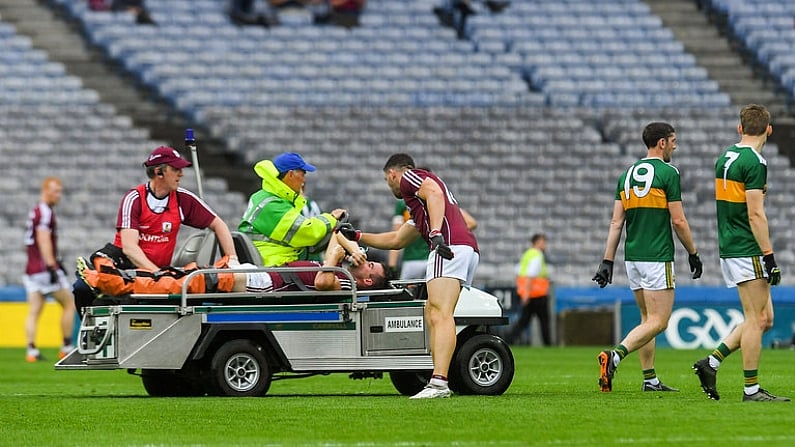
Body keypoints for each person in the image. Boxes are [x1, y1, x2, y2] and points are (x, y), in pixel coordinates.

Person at [337, 153, 479, 399]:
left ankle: (439, 383)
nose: (389, 185)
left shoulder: (410, 178)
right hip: (462, 248)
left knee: (440, 313)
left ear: (393, 173)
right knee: (433, 312)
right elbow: (396, 240)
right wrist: (358, 236)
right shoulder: (419, 208)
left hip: (448, 247)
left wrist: (435, 233)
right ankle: (438, 378)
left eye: (386, 179)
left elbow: (433, 193)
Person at [592, 122, 702, 393]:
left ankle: (650, 379)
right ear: (661, 143)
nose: (675, 145)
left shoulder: (626, 175)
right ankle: (614, 356)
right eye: (673, 140)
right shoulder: (668, 172)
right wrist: (693, 252)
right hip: (656, 255)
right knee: (659, 321)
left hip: (633, 258)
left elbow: (616, 223)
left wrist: (607, 261)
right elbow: (678, 220)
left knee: (646, 318)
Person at [692, 104, 790, 402]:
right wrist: (769, 255)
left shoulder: (726, 156)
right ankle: (751, 389)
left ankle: (711, 363)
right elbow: (755, 214)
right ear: (768, 130)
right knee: (757, 318)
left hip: (730, 245)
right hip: (746, 247)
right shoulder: (754, 161)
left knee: (764, 318)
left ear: (740, 128)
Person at [73, 146, 238, 314]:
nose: (181, 174)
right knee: (82, 288)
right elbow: (130, 249)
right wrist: (157, 276)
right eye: (175, 169)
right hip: (127, 264)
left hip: (156, 270)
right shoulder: (134, 199)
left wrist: (232, 259)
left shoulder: (183, 199)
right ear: (159, 172)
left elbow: (219, 225)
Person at [78, 232, 389, 296]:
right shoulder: (340, 268)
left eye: (371, 266)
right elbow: (337, 236)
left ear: (366, 281)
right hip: (260, 277)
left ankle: (109, 280)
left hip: (262, 284)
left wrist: (340, 256)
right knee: (181, 276)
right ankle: (112, 275)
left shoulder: (345, 283)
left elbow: (322, 283)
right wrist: (352, 248)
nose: (367, 261)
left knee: (183, 282)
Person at [239, 152, 346, 267]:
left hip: (272, 260)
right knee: (328, 275)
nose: (304, 181)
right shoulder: (273, 204)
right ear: (290, 174)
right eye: (303, 174)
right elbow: (306, 232)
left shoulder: (262, 196)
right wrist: (331, 218)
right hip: (275, 264)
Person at [23, 177, 76, 362]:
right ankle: (67, 346)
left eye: (60, 191)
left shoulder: (35, 211)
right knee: (70, 304)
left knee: (34, 310)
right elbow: (43, 238)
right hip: (44, 270)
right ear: (45, 190)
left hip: (31, 270)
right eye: (55, 191)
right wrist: (52, 266)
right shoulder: (45, 212)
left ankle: (31, 350)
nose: (58, 195)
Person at [388, 197, 478, 280]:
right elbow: (471, 223)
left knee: (407, 295)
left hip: (412, 260)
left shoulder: (404, 202)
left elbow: (396, 235)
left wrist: (392, 266)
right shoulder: (438, 199)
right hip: (434, 259)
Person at [507, 233, 551, 346]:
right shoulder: (537, 255)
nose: (544, 245)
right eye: (543, 242)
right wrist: (526, 293)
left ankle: (509, 339)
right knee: (544, 321)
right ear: (537, 242)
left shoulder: (527, 254)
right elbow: (530, 276)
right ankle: (548, 344)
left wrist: (524, 292)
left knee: (524, 321)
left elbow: (518, 272)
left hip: (529, 293)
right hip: (537, 294)